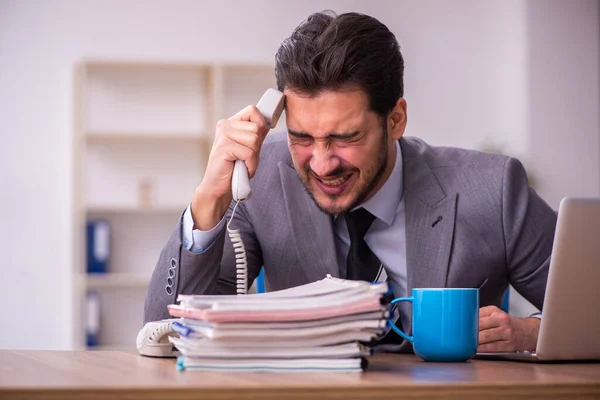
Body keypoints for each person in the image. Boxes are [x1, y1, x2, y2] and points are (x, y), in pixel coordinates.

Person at [144, 11, 557, 353]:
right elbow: (164, 332)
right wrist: (208, 200)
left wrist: (529, 334)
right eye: (302, 137)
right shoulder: (264, 177)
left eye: (346, 137)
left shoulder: (493, 190)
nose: (322, 164)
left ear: (395, 119)